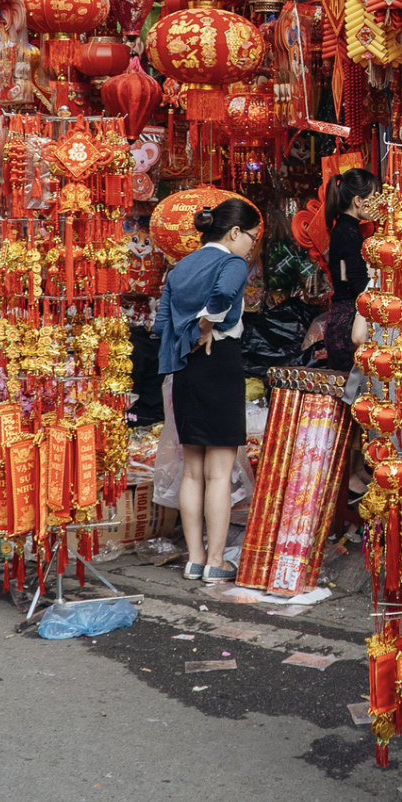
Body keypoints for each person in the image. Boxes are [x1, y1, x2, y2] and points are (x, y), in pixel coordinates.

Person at [153, 197, 263, 582]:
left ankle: (195, 559)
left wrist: (184, 339)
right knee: (219, 471)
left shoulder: (181, 265)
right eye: (251, 236)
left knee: (192, 470)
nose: (252, 245)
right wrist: (205, 325)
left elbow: (161, 321)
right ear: (234, 232)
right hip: (219, 362)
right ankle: (216, 561)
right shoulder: (232, 262)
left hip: (185, 367)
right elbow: (222, 296)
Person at [322, 167, 381, 374]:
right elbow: (356, 281)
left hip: (341, 316)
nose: (377, 204)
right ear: (358, 201)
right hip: (349, 320)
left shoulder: (345, 229)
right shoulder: (349, 232)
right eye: (374, 197)